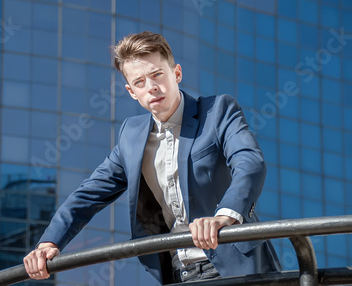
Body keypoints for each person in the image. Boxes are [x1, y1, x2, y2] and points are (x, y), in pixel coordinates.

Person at [24, 31, 281, 284]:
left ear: (176, 73)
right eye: (140, 82)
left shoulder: (218, 112)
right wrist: (49, 242)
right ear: (131, 91)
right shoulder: (131, 137)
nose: (152, 87)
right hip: (180, 275)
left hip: (239, 271)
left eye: (158, 74)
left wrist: (225, 216)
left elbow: (249, 162)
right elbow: (88, 194)